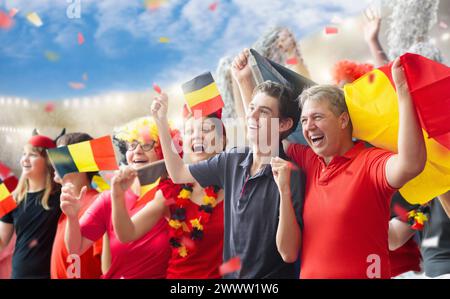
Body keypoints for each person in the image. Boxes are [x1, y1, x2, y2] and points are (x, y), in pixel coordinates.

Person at [285, 57, 426, 278]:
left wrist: (403, 92)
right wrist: (246, 80)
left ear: (343, 120)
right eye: (304, 121)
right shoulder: (309, 159)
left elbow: (411, 164)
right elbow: (264, 140)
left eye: (317, 117)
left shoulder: (369, 162)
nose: (308, 126)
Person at [151, 81, 304, 279]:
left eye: (264, 112)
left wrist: (284, 191)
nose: (253, 116)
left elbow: (289, 253)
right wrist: (161, 121)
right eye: (251, 108)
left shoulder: (291, 175)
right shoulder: (232, 159)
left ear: (283, 124)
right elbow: (178, 173)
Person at [111, 107, 226, 279]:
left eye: (206, 129)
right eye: (189, 131)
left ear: (223, 140)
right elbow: (127, 233)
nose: (196, 136)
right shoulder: (172, 189)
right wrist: (117, 196)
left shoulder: (237, 181)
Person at [60, 117, 180, 278]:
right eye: (132, 145)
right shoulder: (108, 199)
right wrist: (72, 217)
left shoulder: (178, 196)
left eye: (147, 144)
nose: (137, 150)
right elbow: (75, 248)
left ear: (164, 150)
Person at [0, 131, 62, 278]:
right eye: (24, 154)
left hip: (51, 274)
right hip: (19, 274)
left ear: (48, 161)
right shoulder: (12, 198)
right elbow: (2, 241)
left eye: (33, 155)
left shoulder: (61, 196)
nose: (25, 159)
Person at [50, 132, 103, 279]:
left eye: (60, 155)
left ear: (79, 162)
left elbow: (107, 266)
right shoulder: (68, 204)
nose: (53, 161)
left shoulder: (97, 204)